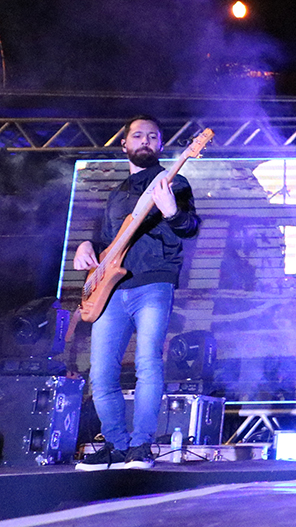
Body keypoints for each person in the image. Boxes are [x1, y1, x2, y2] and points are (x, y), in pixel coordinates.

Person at [72, 115, 201, 470]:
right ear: (125, 145)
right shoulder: (116, 194)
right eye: (138, 135)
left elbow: (190, 228)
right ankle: (116, 445)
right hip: (111, 289)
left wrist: (173, 213)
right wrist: (85, 246)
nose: (145, 140)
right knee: (100, 372)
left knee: (147, 362)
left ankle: (141, 446)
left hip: (154, 283)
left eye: (153, 136)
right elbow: (106, 242)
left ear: (160, 145)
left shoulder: (175, 181)